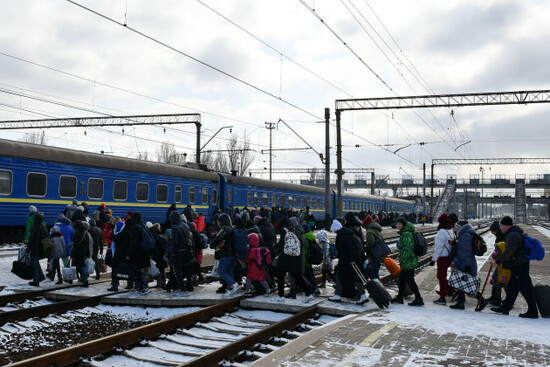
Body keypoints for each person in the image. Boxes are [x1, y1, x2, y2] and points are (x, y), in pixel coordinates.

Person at [491, 216, 538, 318]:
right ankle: (505, 307)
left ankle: (533, 311)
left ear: (507, 226)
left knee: (526, 289)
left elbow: (508, 252)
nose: (500, 228)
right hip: (518, 265)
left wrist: (498, 261)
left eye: (501, 226)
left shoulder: (513, 236)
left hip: (520, 266)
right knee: (512, 288)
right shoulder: (513, 234)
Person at [273, 216, 315, 303]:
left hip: (286, 257)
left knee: (280, 274)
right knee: (297, 276)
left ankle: (281, 296)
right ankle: (309, 293)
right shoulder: (296, 230)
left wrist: (276, 246)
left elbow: (281, 245)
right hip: (297, 257)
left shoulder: (285, 231)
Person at [328, 219, 368, 305]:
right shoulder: (345, 233)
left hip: (348, 261)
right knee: (352, 278)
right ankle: (362, 295)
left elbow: (350, 249)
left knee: (343, 276)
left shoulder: (343, 236)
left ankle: (338, 295)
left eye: (333, 229)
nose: (333, 231)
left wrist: (352, 260)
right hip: (348, 260)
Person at [449, 221, 487, 311]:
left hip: (466, 263)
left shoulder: (465, 236)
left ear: (459, 228)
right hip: (464, 262)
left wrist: (466, 265)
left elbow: (467, 252)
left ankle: (482, 300)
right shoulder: (465, 235)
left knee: (468, 284)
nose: (454, 230)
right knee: (462, 283)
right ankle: (460, 303)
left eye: (455, 228)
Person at [391, 217, 423, 306]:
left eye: (399, 224)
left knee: (410, 280)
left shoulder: (406, 234)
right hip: (409, 260)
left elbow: (407, 248)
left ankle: (419, 299)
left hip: (408, 260)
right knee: (402, 279)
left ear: (403, 225)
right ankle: (400, 297)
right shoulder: (407, 232)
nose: (397, 225)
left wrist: (400, 247)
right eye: (397, 224)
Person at [430, 213, 456, 305]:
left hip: (442, 257)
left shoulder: (441, 232)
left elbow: (439, 248)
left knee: (441, 277)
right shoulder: (451, 231)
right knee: (441, 276)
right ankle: (451, 291)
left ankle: (442, 297)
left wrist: (433, 259)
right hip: (449, 257)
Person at [169, 211, 196, 296]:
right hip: (187, 251)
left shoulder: (175, 227)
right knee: (187, 269)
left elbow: (175, 241)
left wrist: (173, 251)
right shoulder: (185, 225)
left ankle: (182, 288)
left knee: (178, 271)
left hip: (179, 252)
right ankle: (189, 285)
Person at [127, 212, 152, 295]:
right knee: (138, 271)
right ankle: (137, 287)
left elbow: (133, 243)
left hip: (138, 253)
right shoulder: (144, 226)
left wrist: (129, 254)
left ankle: (145, 287)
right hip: (145, 252)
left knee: (139, 271)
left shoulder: (135, 228)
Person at [487, 221, 508, 306]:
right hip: (502, 262)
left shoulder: (500, 237)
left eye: (492, 231)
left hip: (502, 263)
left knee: (497, 278)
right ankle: (496, 297)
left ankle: (497, 298)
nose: (492, 233)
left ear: (496, 230)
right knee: (500, 279)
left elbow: (501, 251)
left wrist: (496, 257)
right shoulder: (501, 236)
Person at [26, 211, 47, 286]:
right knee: (36, 262)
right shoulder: (43, 228)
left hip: (34, 248)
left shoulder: (33, 228)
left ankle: (36, 281)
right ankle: (41, 276)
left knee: (34, 264)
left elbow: (30, 241)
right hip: (41, 249)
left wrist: (27, 251)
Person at [363, 215, 384, 280]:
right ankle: (379, 287)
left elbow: (371, 242)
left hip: (373, 256)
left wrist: (366, 248)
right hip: (380, 255)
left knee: (371, 273)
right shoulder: (377, 229)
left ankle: (377, 288)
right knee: (375, 272)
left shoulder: (369, 231)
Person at [71, 221, 91, 287]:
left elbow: (75, 245)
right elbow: (88, 244)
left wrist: (73, 254)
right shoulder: (86, 233)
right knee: (82, 265)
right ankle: (84, 279)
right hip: (84, 252)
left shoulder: (76, 234)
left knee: (79, 266)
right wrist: (88, 253)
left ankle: (84, 280)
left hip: (78, 252)